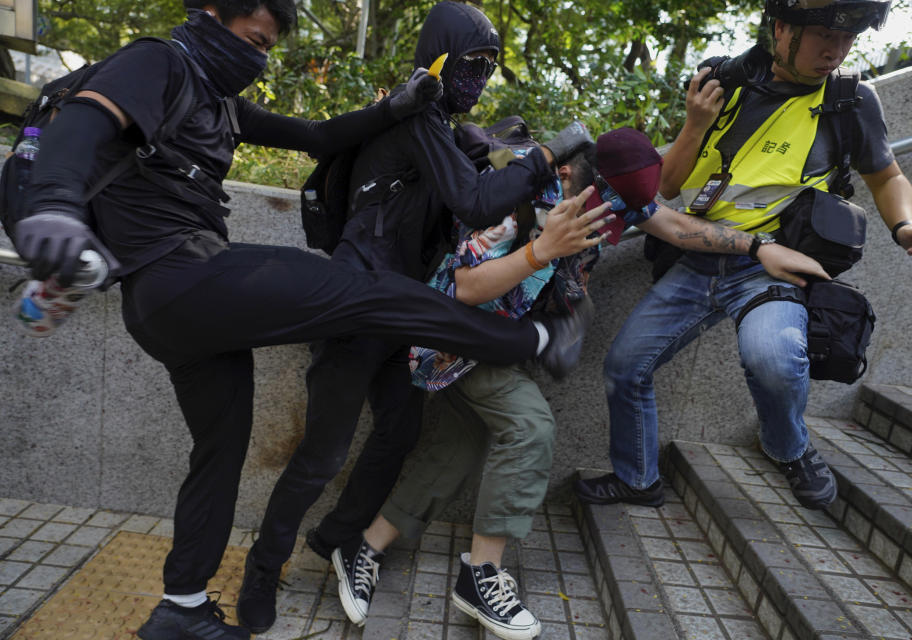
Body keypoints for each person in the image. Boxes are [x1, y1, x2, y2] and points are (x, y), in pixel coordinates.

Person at [11, 3, 589, 639]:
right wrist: (56, 208)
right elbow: (86, 120)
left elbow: (315, 136)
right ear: (212, 12)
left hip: (181, 313)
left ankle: (182, 608)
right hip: (188, 276)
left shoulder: (223, 103)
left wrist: (396, 105)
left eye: (269, 45)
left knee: (231, 454)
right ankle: (530, 339)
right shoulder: (156, 61)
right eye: (255, 38)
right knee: (358, 335)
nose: (260, 56)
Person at [329, 127, 833, 639]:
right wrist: (541, 251)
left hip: (505, 341)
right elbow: (463, 287)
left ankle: (364, 547)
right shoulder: (514, 191)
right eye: (605, 210)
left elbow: (676, 227)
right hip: (453, 337)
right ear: (565, 173)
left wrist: (759, 246)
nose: (611, 222)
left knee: (456, 449)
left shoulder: (607, 191)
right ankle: (482, 573)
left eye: (620, 214)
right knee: (530, 428)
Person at [233, 2, 594, 633]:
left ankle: (346, 543)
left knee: (399, 434)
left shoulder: (445, 131)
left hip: (404, 312)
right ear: (439, 57)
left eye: (489, 68)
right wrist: (545, 156)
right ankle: (261, 574)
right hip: (357, 303)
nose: (478, 80)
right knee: (321, 455)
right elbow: (476, 203)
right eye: (471, 64)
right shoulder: (414, 116)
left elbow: (473, 197)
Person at [575, 0, 912, 512]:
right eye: (822, 37)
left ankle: (788, 447)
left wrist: (905, 225)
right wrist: (695, 123)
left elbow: (887, 176)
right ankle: (638, 479)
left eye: (847, 40)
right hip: (695, 255)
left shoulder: (850, 100)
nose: (835, 52)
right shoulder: (722, 82)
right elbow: (667, 185)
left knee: (773, 357)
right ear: (782, 28)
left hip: (773, 265)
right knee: (624, 365)